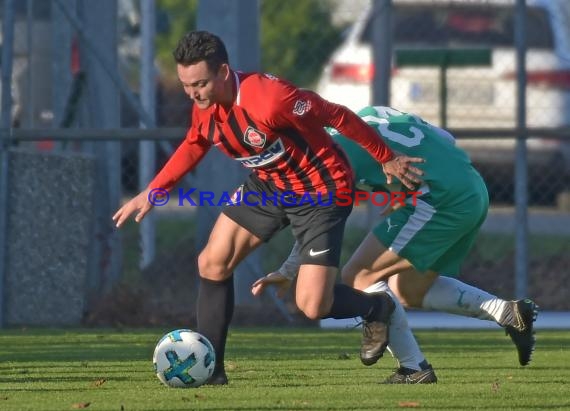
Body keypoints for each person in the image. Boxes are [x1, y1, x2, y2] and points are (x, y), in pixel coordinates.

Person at [112, 32, 425, 385]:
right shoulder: (205, 106)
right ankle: (211, 370)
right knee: (212, 263)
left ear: (224, 72)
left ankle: (376, 309)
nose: (192, 93)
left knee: (312, 305)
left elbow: (336, 115)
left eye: (199, 84)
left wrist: (386, 157)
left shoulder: (272, 99)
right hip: (269, 185)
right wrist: (152, 192)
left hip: (321, 191)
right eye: (186, 85)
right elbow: (194, 144)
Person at [251, 105, 538, 384]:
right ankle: (507, 312)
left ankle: (414, 368)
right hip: (471, 188)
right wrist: (403, 188)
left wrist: (289, 270)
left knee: (360, 274)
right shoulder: (366, 115)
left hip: (440, 202)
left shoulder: (330, 156)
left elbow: (318, 226)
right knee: (410, 289)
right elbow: (445, 139)